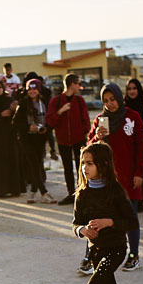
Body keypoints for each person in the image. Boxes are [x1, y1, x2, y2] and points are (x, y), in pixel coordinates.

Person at [69, 142, 139, 284]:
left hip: (116, 249)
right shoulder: (82, 193)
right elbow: (76, 222)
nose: (85, 168)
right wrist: (82, 230)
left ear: (104, 164)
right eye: (83, 163)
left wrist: (109, 222)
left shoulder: (115, 191)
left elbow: (132, 222)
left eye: (90, 163)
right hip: (96, 251)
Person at [89, 83, 143, 271]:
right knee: (100, 218)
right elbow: (88, 147)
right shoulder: (100, 120)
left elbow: (141, 148)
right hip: (106, 179)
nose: (110, 104)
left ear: (119, 98)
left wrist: (139, 173)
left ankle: (133, 255)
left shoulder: (133, 116)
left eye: (112, 99)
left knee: (130, 218)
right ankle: (95, 255)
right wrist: (97, 137)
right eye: (105, 101)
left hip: (129, 177)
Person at [47, 74, 91, 205]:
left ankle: (82, 194)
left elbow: (86, 120)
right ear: (72, 84)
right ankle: (71, 193)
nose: (79, 86)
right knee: (67, 168)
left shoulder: (79, 100)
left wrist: (83, 132)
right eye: (78, 84)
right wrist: (60, 111)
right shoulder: (56, 101)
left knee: (82, 167)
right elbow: (50, 121)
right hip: (63, 140)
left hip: (79, 140)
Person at [14, 79, 54, 203]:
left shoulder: (44, 103)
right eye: (29, 89)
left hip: (40, 138)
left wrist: (46, 129)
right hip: (27, 139)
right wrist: (27, 127)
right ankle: (44, 192)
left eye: (34, 88)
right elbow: (15, 123)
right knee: (34, 164)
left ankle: (32, 192)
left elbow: (50, 121)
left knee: (38, 164)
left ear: (39, 90)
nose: (32, 91)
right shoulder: (23, 104)